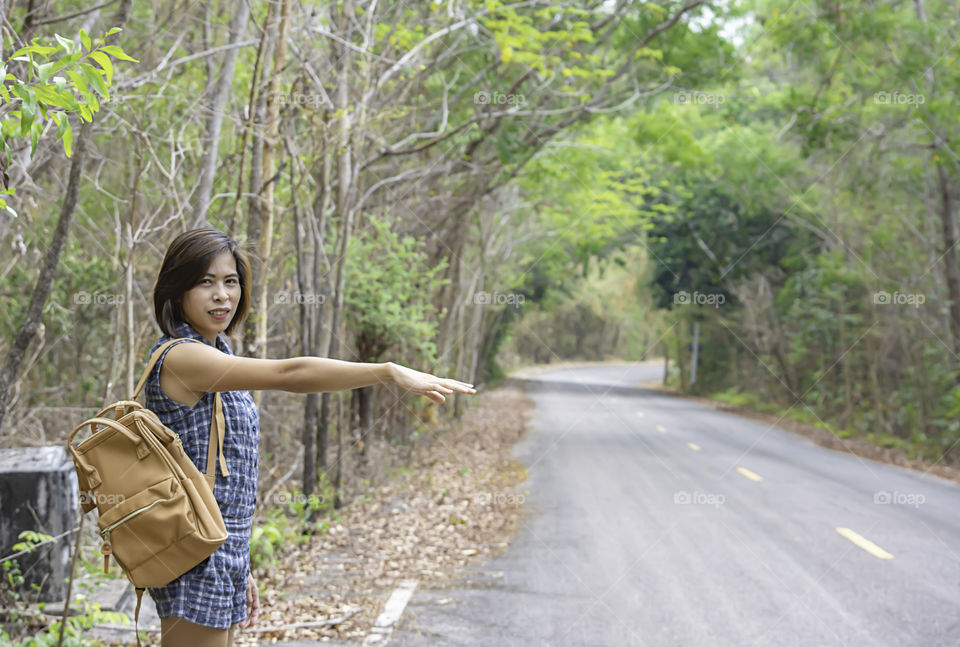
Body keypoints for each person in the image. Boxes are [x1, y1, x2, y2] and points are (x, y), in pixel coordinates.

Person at [143, 227, 476, 647]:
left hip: (220, 549)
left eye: (230, 281)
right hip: (193, 555)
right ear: (177, 290)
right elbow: (289, 374)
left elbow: (223, 473)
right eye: (205, 282)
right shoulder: (182, 357)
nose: (222, 295)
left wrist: (239, 564)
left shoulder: (219, 353)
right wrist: (387, 371)